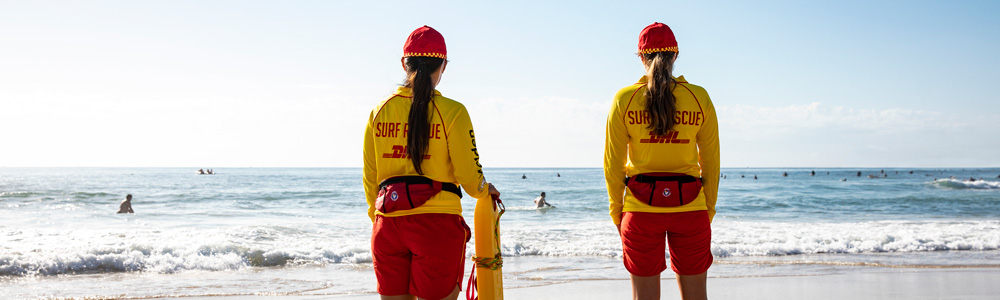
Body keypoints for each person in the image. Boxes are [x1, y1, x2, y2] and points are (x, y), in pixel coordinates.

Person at [362, 26, 500, 300]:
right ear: (443, 66)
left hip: (387, 227)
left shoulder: (378, 111)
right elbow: (470, 178)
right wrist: (486, 190)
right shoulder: (453, 112)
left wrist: (377, 219)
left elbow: (371, 178)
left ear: (404, 63)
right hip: (436, 225)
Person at [603, 23, 719, 300]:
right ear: (675, 55)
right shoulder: (698, 97)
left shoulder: (624, 99)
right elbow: (711, 162)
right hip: (691, 208)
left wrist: (616, 212)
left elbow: (613, 164)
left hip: (640, 211)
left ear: (641, 57)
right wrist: (708, 209)